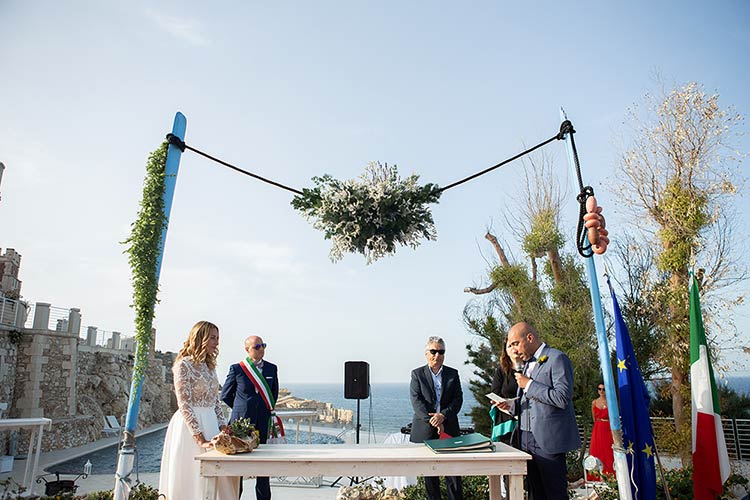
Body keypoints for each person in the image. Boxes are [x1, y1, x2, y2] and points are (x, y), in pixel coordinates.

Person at [498, 322, 580, 500]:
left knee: (554, 493)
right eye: (511, 345)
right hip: (526, 439)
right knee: (535, 493)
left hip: (547, 440)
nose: (513, 349)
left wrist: (529, 384)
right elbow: (532, 402)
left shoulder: (557, 358)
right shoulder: (526, 364)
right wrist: (511, 407)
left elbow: (561, 398)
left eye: (515, 343)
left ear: (530, 338)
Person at [159, 321, 239, 500]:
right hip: (189, 429)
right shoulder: (183, 365)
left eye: (218, 338)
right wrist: (200, 438)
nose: (216, 342)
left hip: (211, 424)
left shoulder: (210, 367)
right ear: (199, 337)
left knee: (220, 476)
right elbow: (184, 403)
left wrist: (223, 426)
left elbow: (215, 402)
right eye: (212, 337)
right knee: (192, 476)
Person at [222, 335, 279, 500]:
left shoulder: (271, 368)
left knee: (264, 463)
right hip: (240, 423)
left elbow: (273, 394)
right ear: (247, 350)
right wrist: (242, 409)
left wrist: (261, 409)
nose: (261, 349)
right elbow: (226, 395)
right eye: (257, 346)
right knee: (238, 463)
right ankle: (234, 497)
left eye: (263, 345)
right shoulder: (237, 369)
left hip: (263, 421)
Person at [409, 336, 464, 500]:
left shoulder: (453, 374)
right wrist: (432, 420)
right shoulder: (417, 374)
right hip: (425, 430)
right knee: (430, 475)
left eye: (441, 351)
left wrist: (443, 416)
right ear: (426, 353)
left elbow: (458, 399)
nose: (437, 355)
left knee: (453, 473)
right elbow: (416, 400)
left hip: (449, 428)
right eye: (433, 351)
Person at [489, 337, 523, 443]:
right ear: (506, 351)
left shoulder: (531, 368)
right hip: (506, 423)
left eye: (516, 344)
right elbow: (494, 394)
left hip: (527, 419)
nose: (513, 349)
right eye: (509, 346)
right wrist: (501, 403)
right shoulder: (501, 371)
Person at [587, 383, 614, 479]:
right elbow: (594, 418)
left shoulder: (611, 402)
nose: (601, 391)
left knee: (608, 450)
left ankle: (609, 474)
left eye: (603, 389)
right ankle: (596, 475)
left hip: (607, 428)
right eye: (599, 389)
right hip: (598, 428)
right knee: (597, 450)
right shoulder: (594, 402)